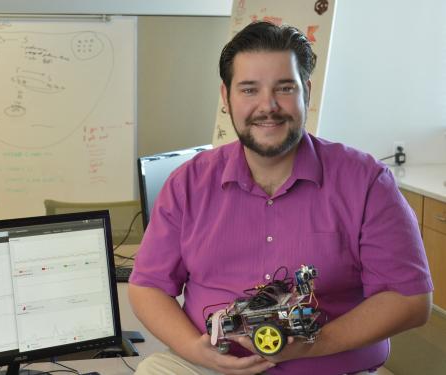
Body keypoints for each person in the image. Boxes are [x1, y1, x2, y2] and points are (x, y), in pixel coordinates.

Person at [128, 21, 433, 375]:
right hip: (208, 369)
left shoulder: (366, 182)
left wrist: (314, 344)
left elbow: (410, 300)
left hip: (332, 369)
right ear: (226, 98)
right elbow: (147, 286)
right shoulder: (189, 182)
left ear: (306, 91)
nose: (267, 106)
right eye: (249, 90)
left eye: (284, 88)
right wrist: (195, 351)